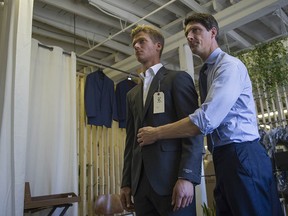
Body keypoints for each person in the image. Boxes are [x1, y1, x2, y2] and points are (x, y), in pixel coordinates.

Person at [137, 13, 284, 216]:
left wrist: (157, 133)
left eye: (196, 30)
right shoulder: (207, 72)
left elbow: (205, 120)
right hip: (224, 157)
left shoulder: (229, 66)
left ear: (213, 32)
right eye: (187, 32)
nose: (189, 36)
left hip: (243, 153)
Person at [120, 24, 204, 216]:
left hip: (172, 182)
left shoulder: (177, 79)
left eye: (142, 41)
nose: (136, 46)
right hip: (140, 187)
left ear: (158, 46)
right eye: (134, 44)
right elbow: (131, 141)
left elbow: (194, 128)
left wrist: (187, 177)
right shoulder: (132, 94)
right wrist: (126, 183)